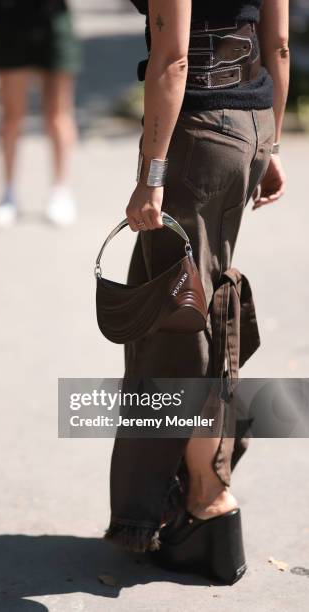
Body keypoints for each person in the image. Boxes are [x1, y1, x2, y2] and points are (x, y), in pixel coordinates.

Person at [105, 0, 289, 584]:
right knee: (204, 303)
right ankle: (200, 498)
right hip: (250, 124)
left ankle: (207, 503)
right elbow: (277, 44)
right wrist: (271, 145)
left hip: (198, 136)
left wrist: (150, 178)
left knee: (174, 325)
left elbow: (174, 58)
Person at [0, 0, 82, 227]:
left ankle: (60, 191)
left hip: (53, 19)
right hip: (10, 18)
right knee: (11, 117)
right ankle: (8, 193)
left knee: (59, 115)